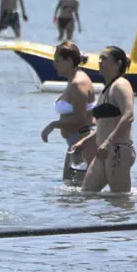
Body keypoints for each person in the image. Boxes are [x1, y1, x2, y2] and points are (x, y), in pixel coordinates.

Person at [70, 46, 135, 193]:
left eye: (104, 59)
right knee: (87, 193)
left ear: (117, 64)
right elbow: (105, 125)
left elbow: (129, 115)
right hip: (104, 151)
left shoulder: (121, 85)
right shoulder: (108, 88)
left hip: (117, 150)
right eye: (99, 58)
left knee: (120, 201)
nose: (99, 61)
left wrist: (108, 142)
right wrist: (84, 141)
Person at [40, 42, 97, 181]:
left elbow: (80, 118)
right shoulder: (73, 80)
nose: (55, 64)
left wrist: (53, 125)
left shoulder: (79, 84)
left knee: (77, 195)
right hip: (74, 142)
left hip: (82, 142)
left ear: (69, 61)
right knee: (69, 190)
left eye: (58, 61)